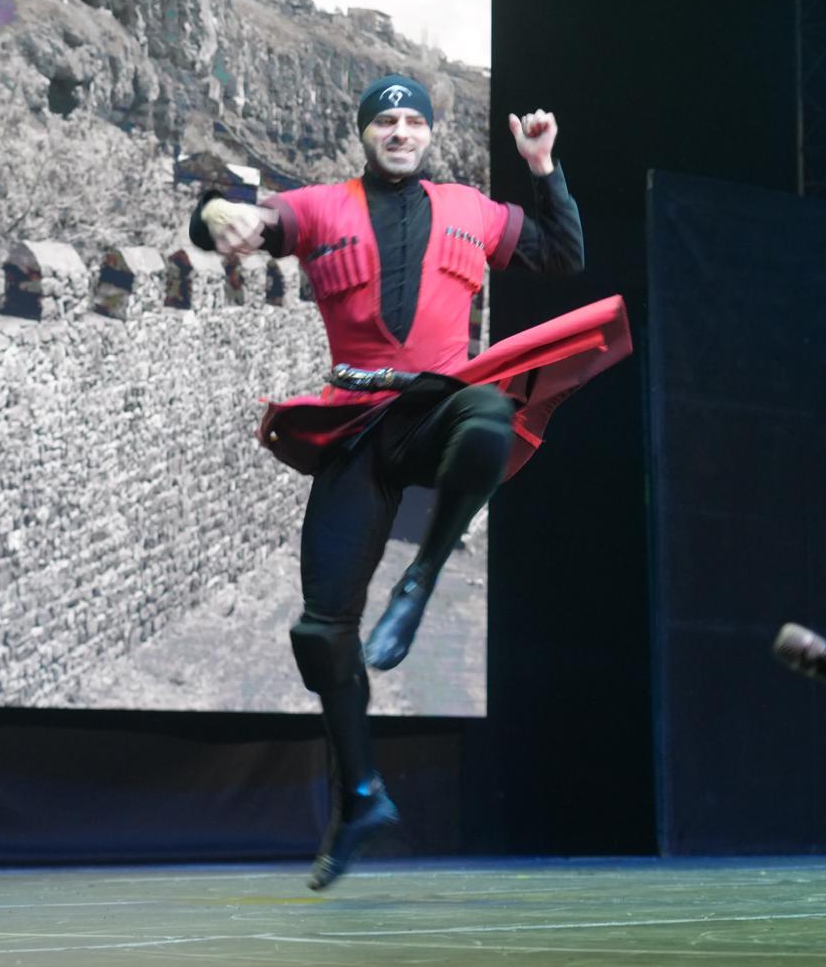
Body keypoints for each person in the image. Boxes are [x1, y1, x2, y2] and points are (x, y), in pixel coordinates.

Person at [190, 74, 628, 889]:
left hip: (435, 410)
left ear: (429, 135)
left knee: (489, 419)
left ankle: (423, 573)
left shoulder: (470, 208)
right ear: (365, 133)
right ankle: (359, 796)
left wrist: (542, 166)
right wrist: (225, 216)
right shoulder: (321, 205)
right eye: (385, 121)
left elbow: (565, 255)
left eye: (412, 122)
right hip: (356, 426)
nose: (399, 132)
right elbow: (242, 216)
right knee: (319, 632)